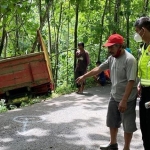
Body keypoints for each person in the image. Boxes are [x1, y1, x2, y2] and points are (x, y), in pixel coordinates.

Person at [76, 34, 137, 150]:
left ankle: (126, 148)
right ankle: (113, 144)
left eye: (111, 47)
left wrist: (124, 100)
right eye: (108, 47)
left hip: (127, 99)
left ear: (119, 46)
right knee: (112, 121)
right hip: (114, 96)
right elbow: (98, 69)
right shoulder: (111, 58)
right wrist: (84, 76)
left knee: (128, 125)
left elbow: (131, 81)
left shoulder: (130, 60)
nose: (109, 50)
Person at [134, 16, 150, 150]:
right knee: (144, 128)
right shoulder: (144, 47)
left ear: (143, 30)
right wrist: (140, 83)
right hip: (144, 92)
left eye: (137, 31)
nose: (136, 34)